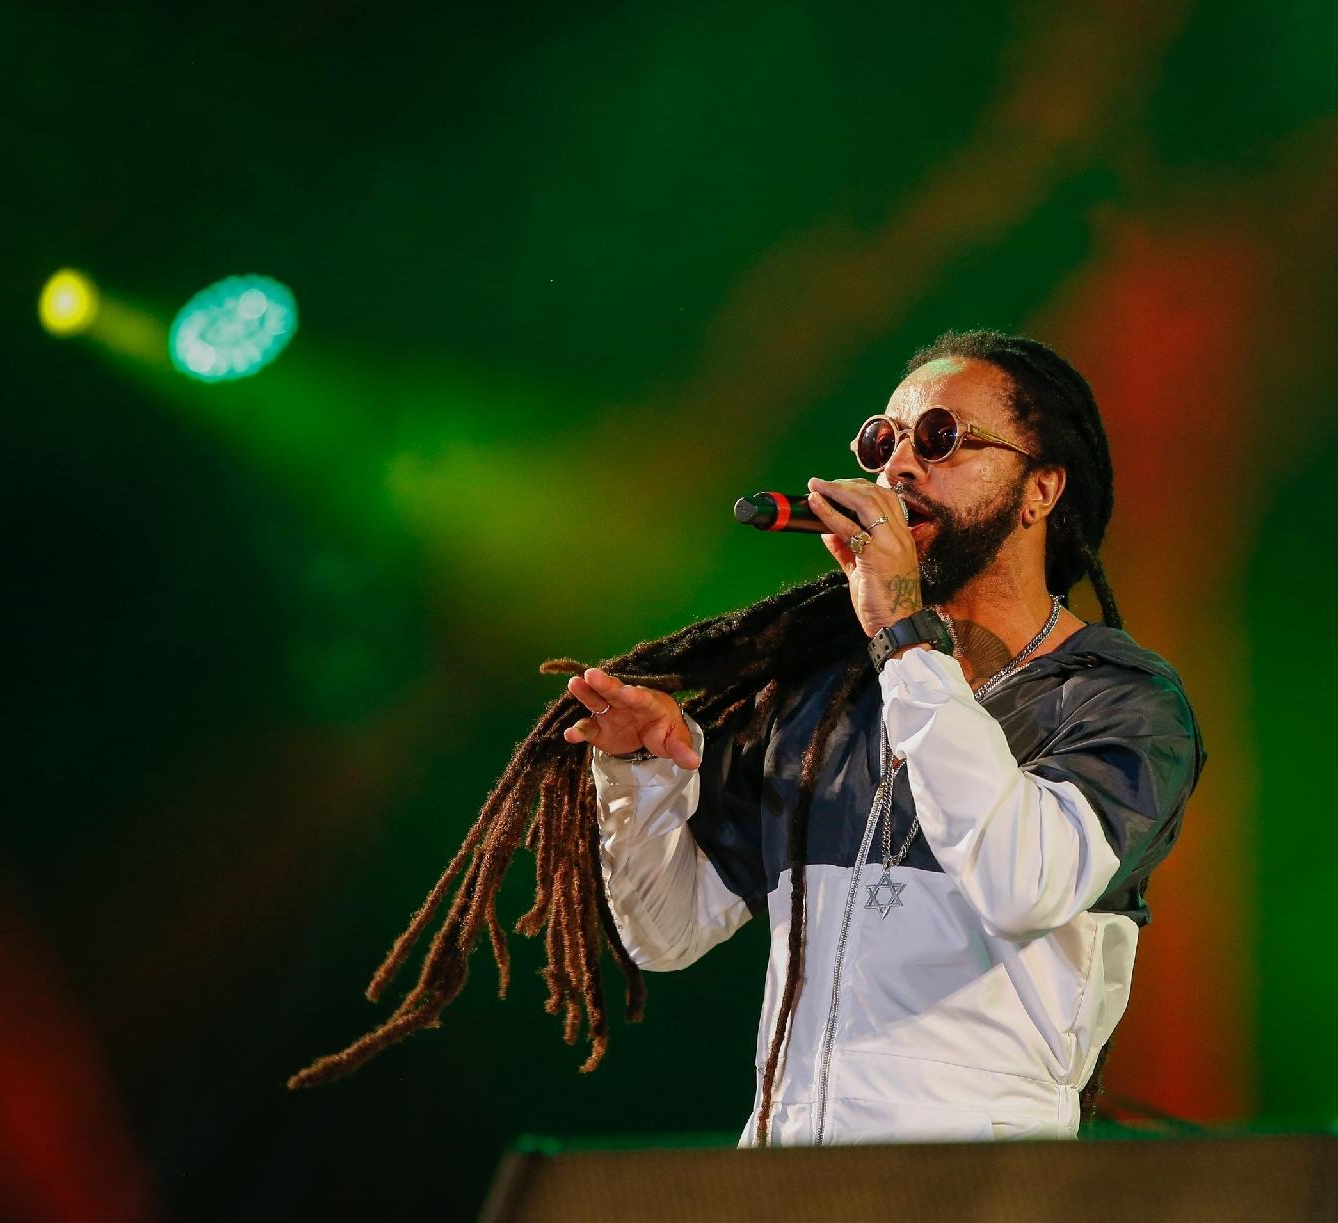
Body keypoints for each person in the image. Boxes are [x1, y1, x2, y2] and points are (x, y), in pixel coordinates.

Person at [289, 330, 1206, 1149]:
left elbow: (1022, 883)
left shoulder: (1118, 701)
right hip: (784, 1190)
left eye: (939, 438)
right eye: (882, 442)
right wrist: (641, 774)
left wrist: (901, 633)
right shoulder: (830, 700)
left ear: (1041, 488)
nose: (898, 469)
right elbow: (668, 932)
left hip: (975, 1200)